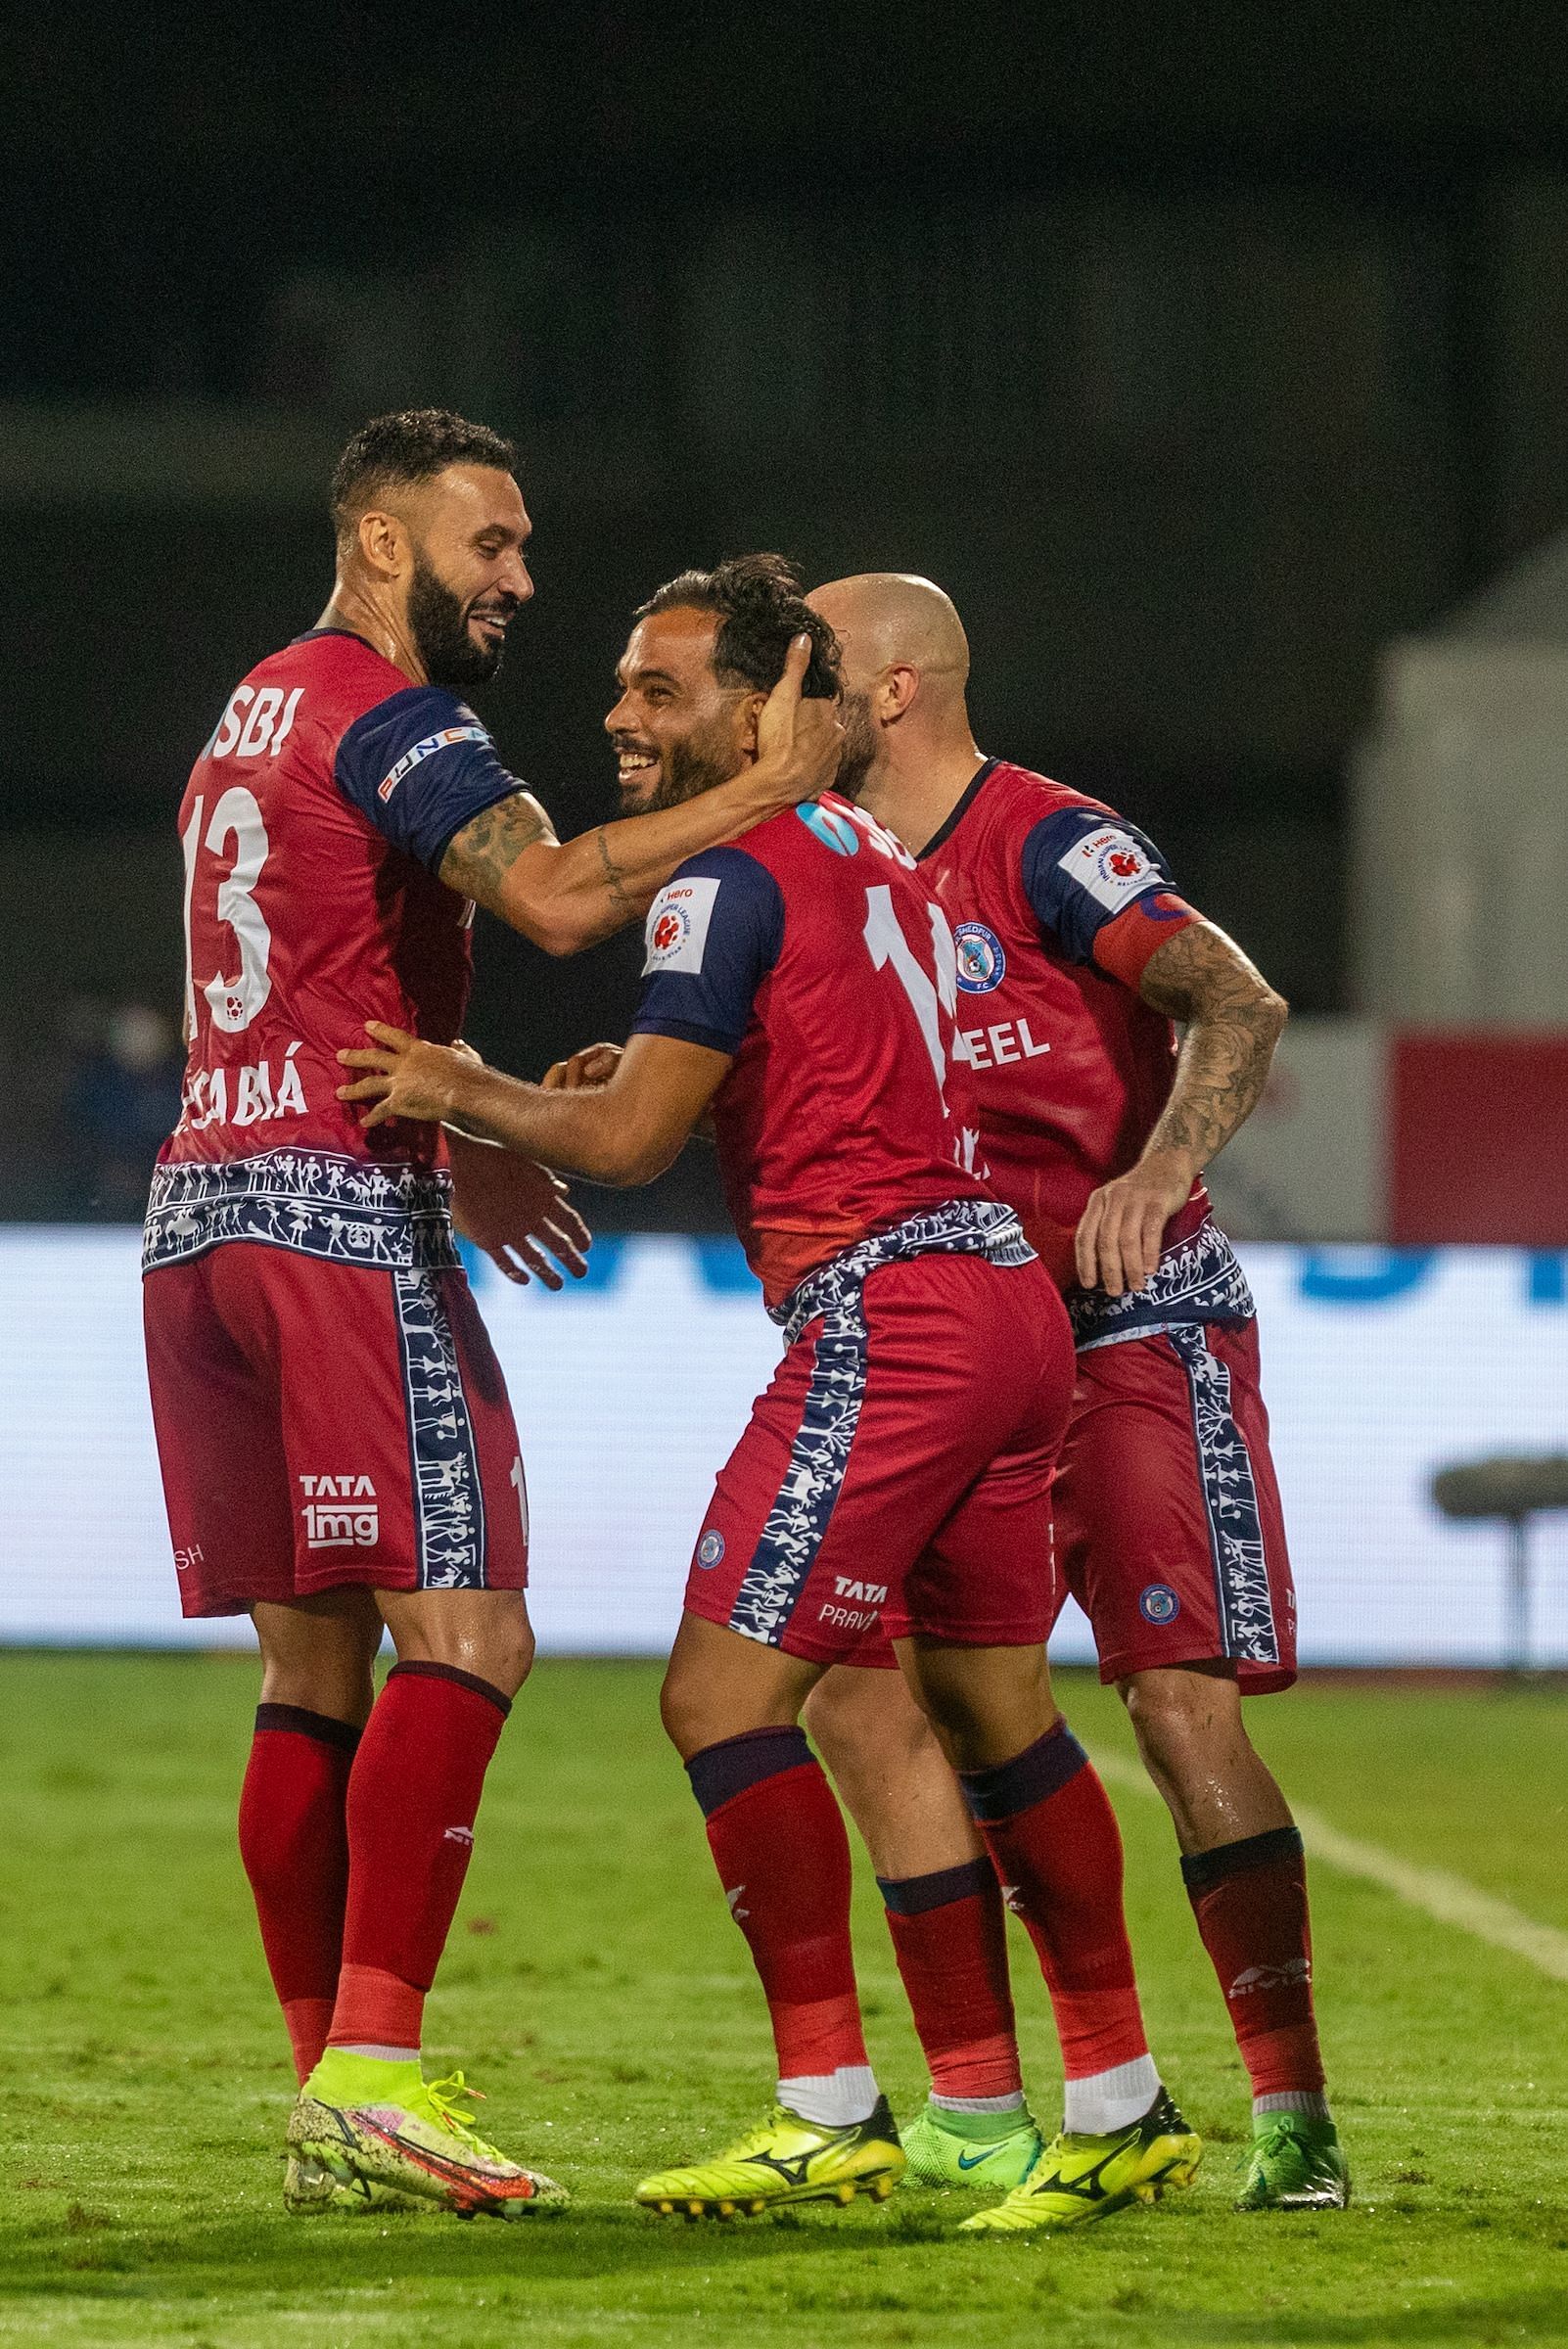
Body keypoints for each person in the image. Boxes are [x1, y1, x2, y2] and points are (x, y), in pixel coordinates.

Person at [339, 553, 1202, 2236]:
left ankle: (830, 2106)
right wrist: (659, 1080)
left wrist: (463, 1087)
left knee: (721, 1702)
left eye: (663, 691)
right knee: (967, 1708)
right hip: (1003, 1304)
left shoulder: (720, 875)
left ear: (768, 710)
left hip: (891, 1315)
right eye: (620, 688)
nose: (621, 717)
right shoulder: (869, 853)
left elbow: (628, 1143)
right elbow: (814, 1061)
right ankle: (1089, 2101)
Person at [141, 409, 839, 2221]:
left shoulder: (251, 707)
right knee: (470, 1638)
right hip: (329, 1220)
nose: (519, 581)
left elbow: (307, 969)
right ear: (385, 544)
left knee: (310, 1673)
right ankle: (375, 2074)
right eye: (491, 546)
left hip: (202, 1212)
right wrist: (779, 783)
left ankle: (328, 2090)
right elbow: (540, 897)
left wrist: (459, 1118)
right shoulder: (399, 717)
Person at [793, 571, 1348, 2214]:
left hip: (1124, 1322)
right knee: (861, 1694)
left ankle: (1292, 2113)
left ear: (889, 688)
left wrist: (1160, 1168)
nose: (779, 694)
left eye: (806, 669)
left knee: (1174, 1706)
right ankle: (1063, 2095)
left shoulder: (1042, 838)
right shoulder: (832, 864)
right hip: (961, 1342)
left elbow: (1234, 997)